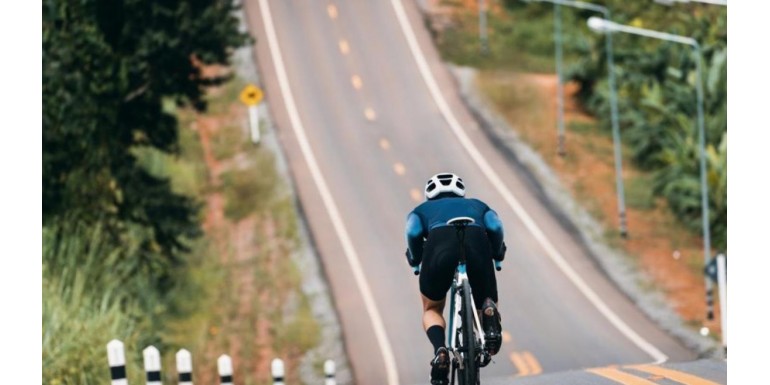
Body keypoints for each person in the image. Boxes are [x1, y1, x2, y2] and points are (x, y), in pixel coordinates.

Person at [404, 172, 506, 385]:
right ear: (461, 193)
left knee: (431, 308)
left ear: (429, 195)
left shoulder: (421, 211)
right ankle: (487, 312)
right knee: (485, 298)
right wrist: (497, 253)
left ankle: (440, 351)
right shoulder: (477, 205)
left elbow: (413, 232)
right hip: (477, 242)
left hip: (439, 246)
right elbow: (495, 226)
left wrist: (415, 259)